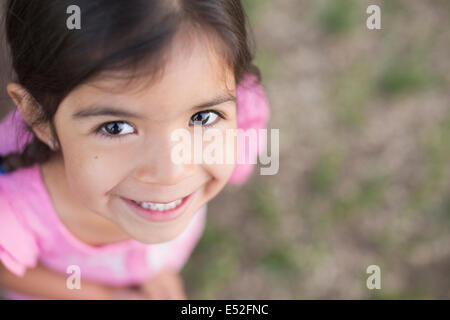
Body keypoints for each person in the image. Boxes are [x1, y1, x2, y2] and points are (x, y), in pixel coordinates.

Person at [0, 0, 269, 299]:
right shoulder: (12, 208)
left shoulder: (237, 112)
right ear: (38, 116)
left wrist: (156, 271)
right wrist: (105, 296)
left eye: (202, 118)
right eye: (116, 127)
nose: (171, 172)